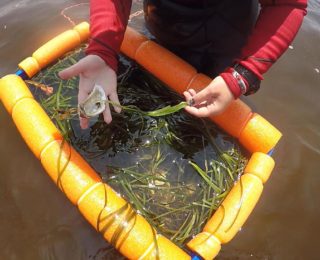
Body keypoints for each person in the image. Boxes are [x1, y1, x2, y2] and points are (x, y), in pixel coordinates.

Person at [59, 0, 307, 129]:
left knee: (199, 123)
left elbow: (286, 5)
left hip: (224, 39)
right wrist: (104, 48)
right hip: (164, 24)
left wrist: (242, 76)